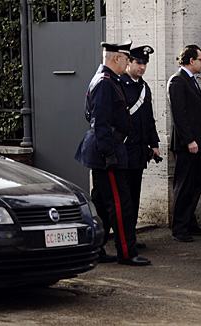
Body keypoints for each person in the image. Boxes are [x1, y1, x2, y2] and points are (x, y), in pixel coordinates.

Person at [74, 40, 152, 266]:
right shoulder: (105, 83)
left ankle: (95, 249)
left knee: (101, 203)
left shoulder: (108, 80)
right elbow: (100, 122)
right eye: (127, 59)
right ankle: (126, 253)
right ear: (116, 58)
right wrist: (109, 154)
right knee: (120, 204)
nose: (129, 62)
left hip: (108, 149)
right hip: (107, 152)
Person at [167, 44, 201, 242]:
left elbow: (199, 116)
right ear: (191, 61)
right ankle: (179, 227)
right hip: (186, 145)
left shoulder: (192, 81)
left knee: (196, 184)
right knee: (184, 185)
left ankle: (190, 222)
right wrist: (190, 141)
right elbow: (180, 115)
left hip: (198, 144)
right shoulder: (177, 81)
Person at [120, 45, 161, 251]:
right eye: (138, 63)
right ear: (129, 62)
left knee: (134, 196)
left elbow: (149, 119)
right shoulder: (120, 85)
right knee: (122, 198)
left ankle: (131, 236)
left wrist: (154, 144)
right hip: (123, 152)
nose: (142, 67)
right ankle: (121, 238)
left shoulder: (144, 87)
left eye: (145, 63)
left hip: (138, 153)